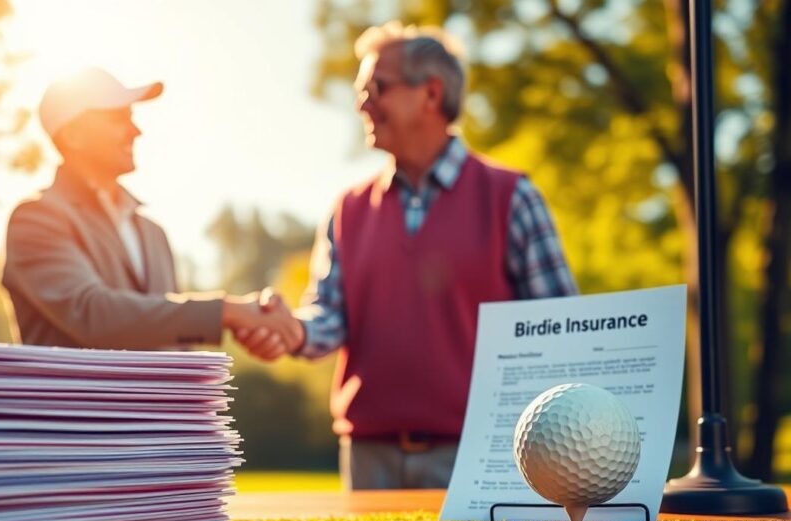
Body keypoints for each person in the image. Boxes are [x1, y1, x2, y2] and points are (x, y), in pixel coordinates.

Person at [239, 22, 579, 490]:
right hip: (366, 458)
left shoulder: (511, 197)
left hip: (481, 457)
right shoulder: (349, 209)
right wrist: (291, 331)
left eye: (377, 87)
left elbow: (560, 329)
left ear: (431, 94)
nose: (362, 102)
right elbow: (330, 316)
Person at [0, 67, 301, 355]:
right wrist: (228, 312)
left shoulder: (153, 234)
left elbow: (175, 343)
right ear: (73, 135)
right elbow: (91, 314)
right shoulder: (35, 219)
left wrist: (253, 325)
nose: (136, 131)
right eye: (118, 117)